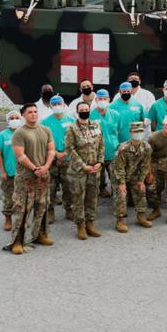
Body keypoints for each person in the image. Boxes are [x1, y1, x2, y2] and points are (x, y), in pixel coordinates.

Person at [6, 103, 55, 255]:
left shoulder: (45, 130)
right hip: (26, 177)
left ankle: (40, 234)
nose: (33, 114)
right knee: (22, 209)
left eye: (35, 111)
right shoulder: (19, 133)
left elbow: (51, 150)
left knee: (42, 206)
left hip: (43, 175)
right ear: (24, 115)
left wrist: (46, 167)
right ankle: (17, 241)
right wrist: (34, 168)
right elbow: (20, 156)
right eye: (30, 112)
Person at [64, 101, 104, 240]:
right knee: (78, 198)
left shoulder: (95, 125)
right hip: (78, 171)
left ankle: (90, 224)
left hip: (94, 168)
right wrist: (83, 166)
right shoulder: (72, 128)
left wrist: (100, 161)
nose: (84, 111)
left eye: (86, 109)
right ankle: (80, 225)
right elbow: (70, 149)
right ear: (77, 112)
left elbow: (101, 144)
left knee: (92, 197)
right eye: (82, 109)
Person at [112, 122, 153, 232]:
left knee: (141, 190)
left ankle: (141, 216)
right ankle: (120, 220)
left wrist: (141, 180)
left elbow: (145, 165)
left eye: (140, 131)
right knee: (121, 194)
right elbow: (118, 167)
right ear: (130, 133)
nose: (138, 134)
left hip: (135, 173)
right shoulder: (123, 148)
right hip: (119, 174)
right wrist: (121, 183)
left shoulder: (146, 147)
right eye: (135, 132)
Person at [41, 95, 74, 223]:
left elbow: (75, 140)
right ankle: (50, 211)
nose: (57, 106)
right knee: (50, 187)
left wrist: (65, 153)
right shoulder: (44, 123)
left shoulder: (71, 121)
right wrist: (55, 154)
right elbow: (43, 142)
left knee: (68, 186)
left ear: (64, 104)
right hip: (52, 160)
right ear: (50, 106)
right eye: (54, 104)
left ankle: (69, 209)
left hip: (67, 158)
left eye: (59, 103)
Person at [90, 90, 125, 198]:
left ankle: (117, 198)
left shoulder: (115, 114)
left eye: (105, 99)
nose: (102, 101)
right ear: (96, 100)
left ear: (109, 100)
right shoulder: (91, 115)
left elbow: (119, 129)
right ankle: (101, 189)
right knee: (97, 178)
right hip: (96, 153)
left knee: (115, 177)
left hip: (112, 151)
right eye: (100, 99)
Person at [0, 110, 21, 231]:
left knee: (22, 198)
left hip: (22, 173)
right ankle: (8, 218)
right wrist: (2, 171)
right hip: (8, 172)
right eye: (12, 118)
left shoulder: (23, 133)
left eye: (17, 117)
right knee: (8, 197)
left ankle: (20, 220)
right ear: (8, 121)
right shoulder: (2, 135)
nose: (15, 120)